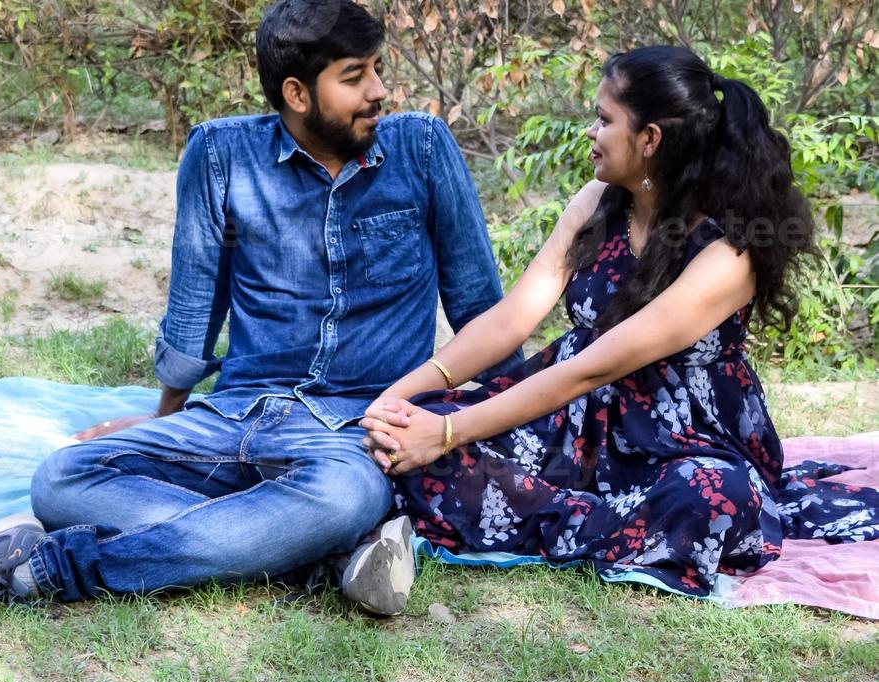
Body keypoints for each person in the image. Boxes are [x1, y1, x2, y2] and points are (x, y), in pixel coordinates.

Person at [0, 0, 520, 613]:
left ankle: (46, 570)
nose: (379, 91)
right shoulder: (221, 156)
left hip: (353, 433)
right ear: (297, 95)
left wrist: (513, 432)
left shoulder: (422, 149)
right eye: (355, 78)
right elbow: (196, 305)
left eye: (376, 69)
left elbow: (481, 310)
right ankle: (313, 555)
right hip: (233, 415)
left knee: (343, 499)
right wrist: (160, 417)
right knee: (60, 479)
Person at [357, 45, 878, 603]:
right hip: (574, 427)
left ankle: (544, 519)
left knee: (707, 496)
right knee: (412, 433)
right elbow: (510, 322)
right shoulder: (595, 203)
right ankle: (605, 524)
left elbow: (592, 368)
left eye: (604, 120)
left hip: (683, 439)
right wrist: (397, 402)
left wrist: (448, 435)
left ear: (650, 139)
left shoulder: (730, 247)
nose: (590, 132)